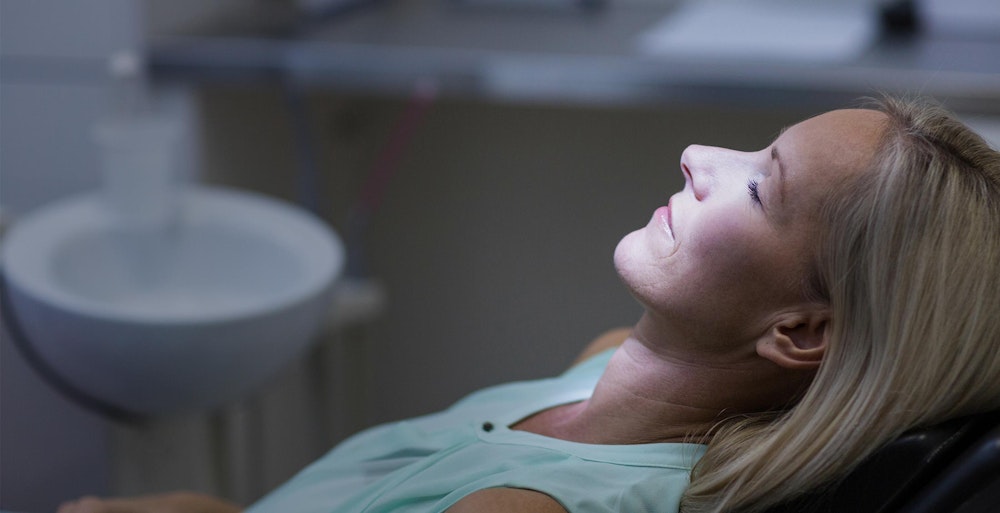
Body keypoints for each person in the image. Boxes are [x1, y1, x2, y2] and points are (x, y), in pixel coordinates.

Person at [58, 96, 1000, 513]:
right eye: (754, 147)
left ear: (798, 331)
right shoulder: (597, 376)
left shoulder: (526, 506)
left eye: (760, 187)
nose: (698, 155)